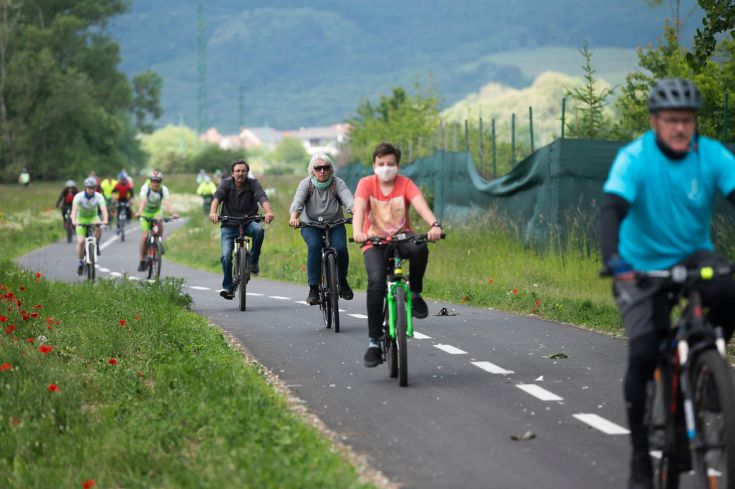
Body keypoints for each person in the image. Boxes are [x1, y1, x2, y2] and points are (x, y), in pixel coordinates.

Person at [600, 78, 735, 489]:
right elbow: (611, 210)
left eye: (688, 120)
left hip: (694, 257)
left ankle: (709, 363)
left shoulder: (711, 156)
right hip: (639, 266)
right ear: (655, 121)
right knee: (643, 353)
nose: (681, 128)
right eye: (673, 120)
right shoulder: (635, 158)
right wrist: (614, 260)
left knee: (731, 287)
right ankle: (642, 458)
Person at [352, 142, 443, 368]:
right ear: (374, 165)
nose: (385, 167)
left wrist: (434, 225)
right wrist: (358, 233)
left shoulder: (405, 184)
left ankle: (414, 292)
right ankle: (374, 342)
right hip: (374, 241)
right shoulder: (366, 184)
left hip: (403, 238)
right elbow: (359, 210)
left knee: (420, 247)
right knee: (375, 283)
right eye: (381, 163)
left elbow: (421, 206)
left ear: (397, 166)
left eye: (390, 164)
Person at [288, 153, 355, 304]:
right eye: (318, 168)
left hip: (335, 224)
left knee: (341, 249)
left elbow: (349, 201)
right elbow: (298, 201)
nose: (322, 171)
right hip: (310, 225)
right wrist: (294, 218)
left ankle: (342, 281)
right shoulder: (306, 184)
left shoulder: (338, 183)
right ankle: (313, 290)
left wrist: (357, 212)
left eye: (326, 167)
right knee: (315, 247)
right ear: (312, 170)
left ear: (331, 169)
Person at [209, 159, 274, 300]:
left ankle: (253, 261)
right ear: (232, 173)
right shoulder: (226, 183)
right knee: (226, 256)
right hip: (229, 223)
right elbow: (217, 198)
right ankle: (228, 287)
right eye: (237, 171)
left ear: (247, 172)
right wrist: (213, 213)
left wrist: (268, 212)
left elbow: (261, 197)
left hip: (249, 220)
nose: (240, 173)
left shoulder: (253, 184)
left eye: (243, 171)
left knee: (259, 231)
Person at [135, 170, 178, 272]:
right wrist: (140, 212)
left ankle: (159, 242)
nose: (155, 183)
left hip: (156, 211)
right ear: (150, 181)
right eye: (153, 181)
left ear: (161, 182)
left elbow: (166, 202)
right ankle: (142, 260)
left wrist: (173, 213)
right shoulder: (145, 188)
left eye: (158, 181)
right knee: (145, 236)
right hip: (145, 213)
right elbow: (143, 201)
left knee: (159, 221)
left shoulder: (163, 189)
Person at [71, 177, 109, 275]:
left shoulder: (99, 196)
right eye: (89, 188)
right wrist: (74, 221)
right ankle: (80, 262)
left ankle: (96, 243)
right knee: (81, 242)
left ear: (95, 188)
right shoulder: (78, 196)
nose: (91, 190)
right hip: (81, 219)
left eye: (93, 188)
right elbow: (74, 211)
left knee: (99, 226)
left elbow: (104, 209)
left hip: (93, 217)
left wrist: (105, 220)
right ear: (85, 188)